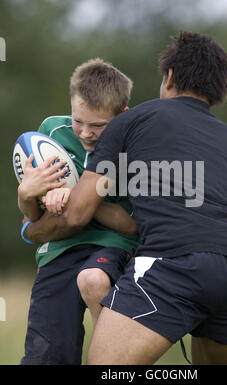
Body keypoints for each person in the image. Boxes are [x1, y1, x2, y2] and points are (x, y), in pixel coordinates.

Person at [24, 31, 227, 365]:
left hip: (175, 262)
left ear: (169, 77)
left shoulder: (133, 121)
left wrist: (32, 230)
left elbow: (77, 214)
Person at [17, 58, 139, 365]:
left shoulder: (136, 148)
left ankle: (111, 359)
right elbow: (32, 219)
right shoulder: (51, 133)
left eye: (98, 125)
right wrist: (26, 194)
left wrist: (78, 194)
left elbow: (131, 226)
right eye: (78, 121)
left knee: (94, 279)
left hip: (111, 245)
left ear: (122, 115)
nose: (85, 133)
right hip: (58, 249)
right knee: (44, 355)